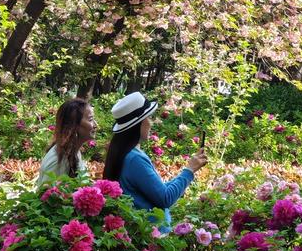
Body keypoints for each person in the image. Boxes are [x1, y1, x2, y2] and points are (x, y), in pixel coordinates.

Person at [103, 91, 206, 232]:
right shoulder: (134, 159)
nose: (151, 123)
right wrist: (189, 170)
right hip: (150, 237)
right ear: (138, 123)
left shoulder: (127, 153)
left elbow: (158, 191)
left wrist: (186, 174)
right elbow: (165, 198)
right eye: (149, 117)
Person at [37, 98, 97, 189]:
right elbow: (47, 195)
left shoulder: (73, 152)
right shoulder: (58, 160)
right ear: (75, 125)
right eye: (91, 119)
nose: (96, 125)